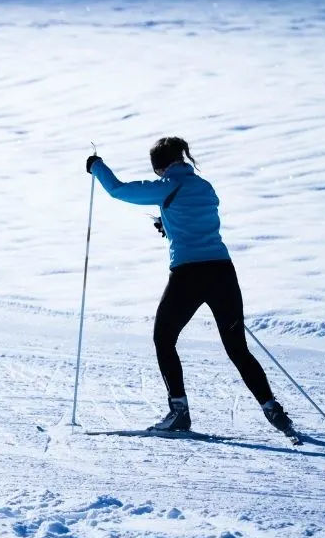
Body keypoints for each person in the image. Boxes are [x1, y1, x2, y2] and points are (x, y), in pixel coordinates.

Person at [85, 137, 295, 435]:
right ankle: (273, 410)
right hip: (223, 272)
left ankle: (179, 412)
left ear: (161, 165)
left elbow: (119, 190)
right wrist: (167, 223)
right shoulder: (205, 187)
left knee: (164, 339)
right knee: (237, 348)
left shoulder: (168, 185)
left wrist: (96, 166)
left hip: (188, 275)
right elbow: (195, 217)